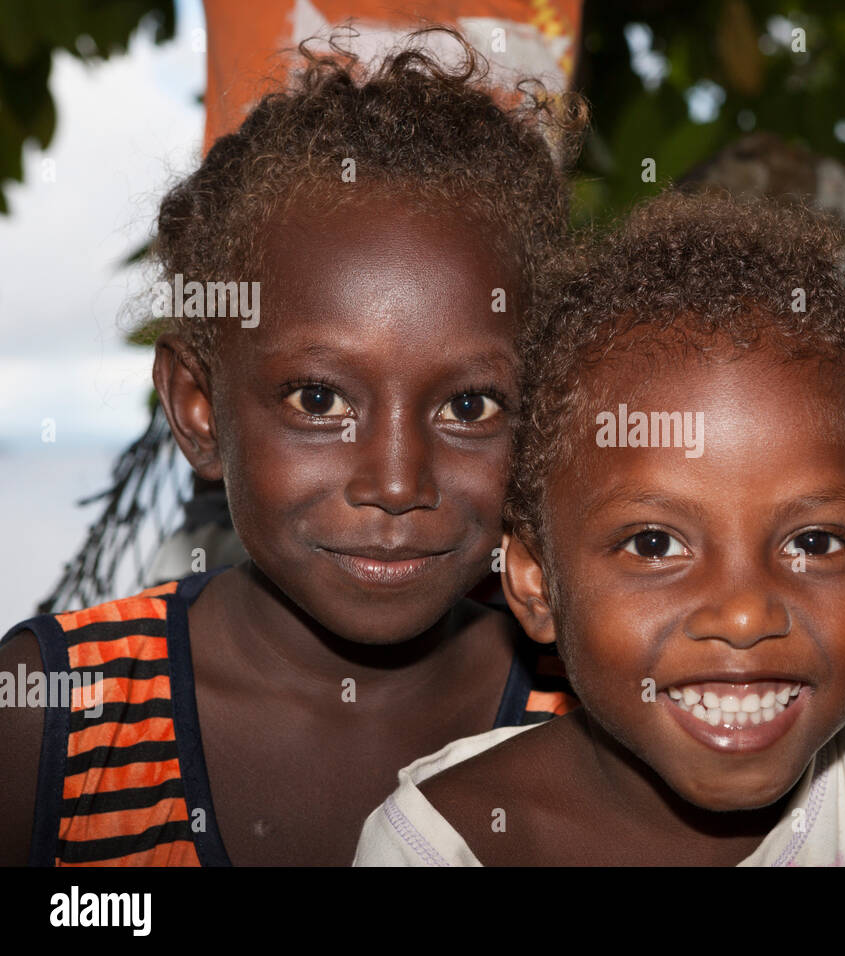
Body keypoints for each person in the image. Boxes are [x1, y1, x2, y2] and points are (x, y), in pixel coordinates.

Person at [0, 29, 582, 867]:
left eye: (470, 404)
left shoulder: (603, 728)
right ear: (199, 409)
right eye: (318, 399)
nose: (395, 482)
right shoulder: (56, 719)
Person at [354, 191, 845, 866]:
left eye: (813, 543)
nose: (745, 613)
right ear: (535, 580)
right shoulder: (444, 846)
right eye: (654, 543)